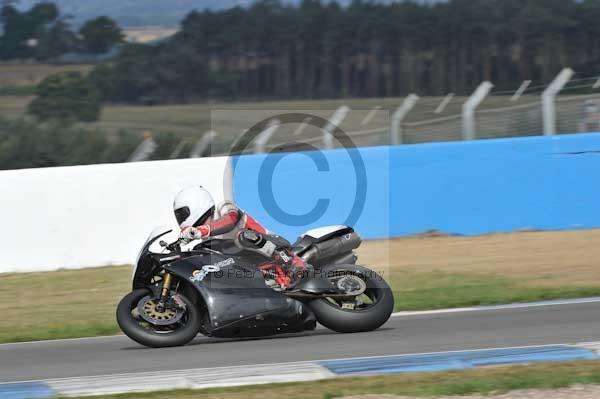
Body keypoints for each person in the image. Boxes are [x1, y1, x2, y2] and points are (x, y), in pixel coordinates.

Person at [173, 185, 310, 289]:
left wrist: (201, 231)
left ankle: (292, 262)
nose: (181, 219)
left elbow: (231, 219)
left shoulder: (223, 207)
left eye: (182, 214)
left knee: (243, 236)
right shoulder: (207, 241)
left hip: (274, 244)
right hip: (254, 264)